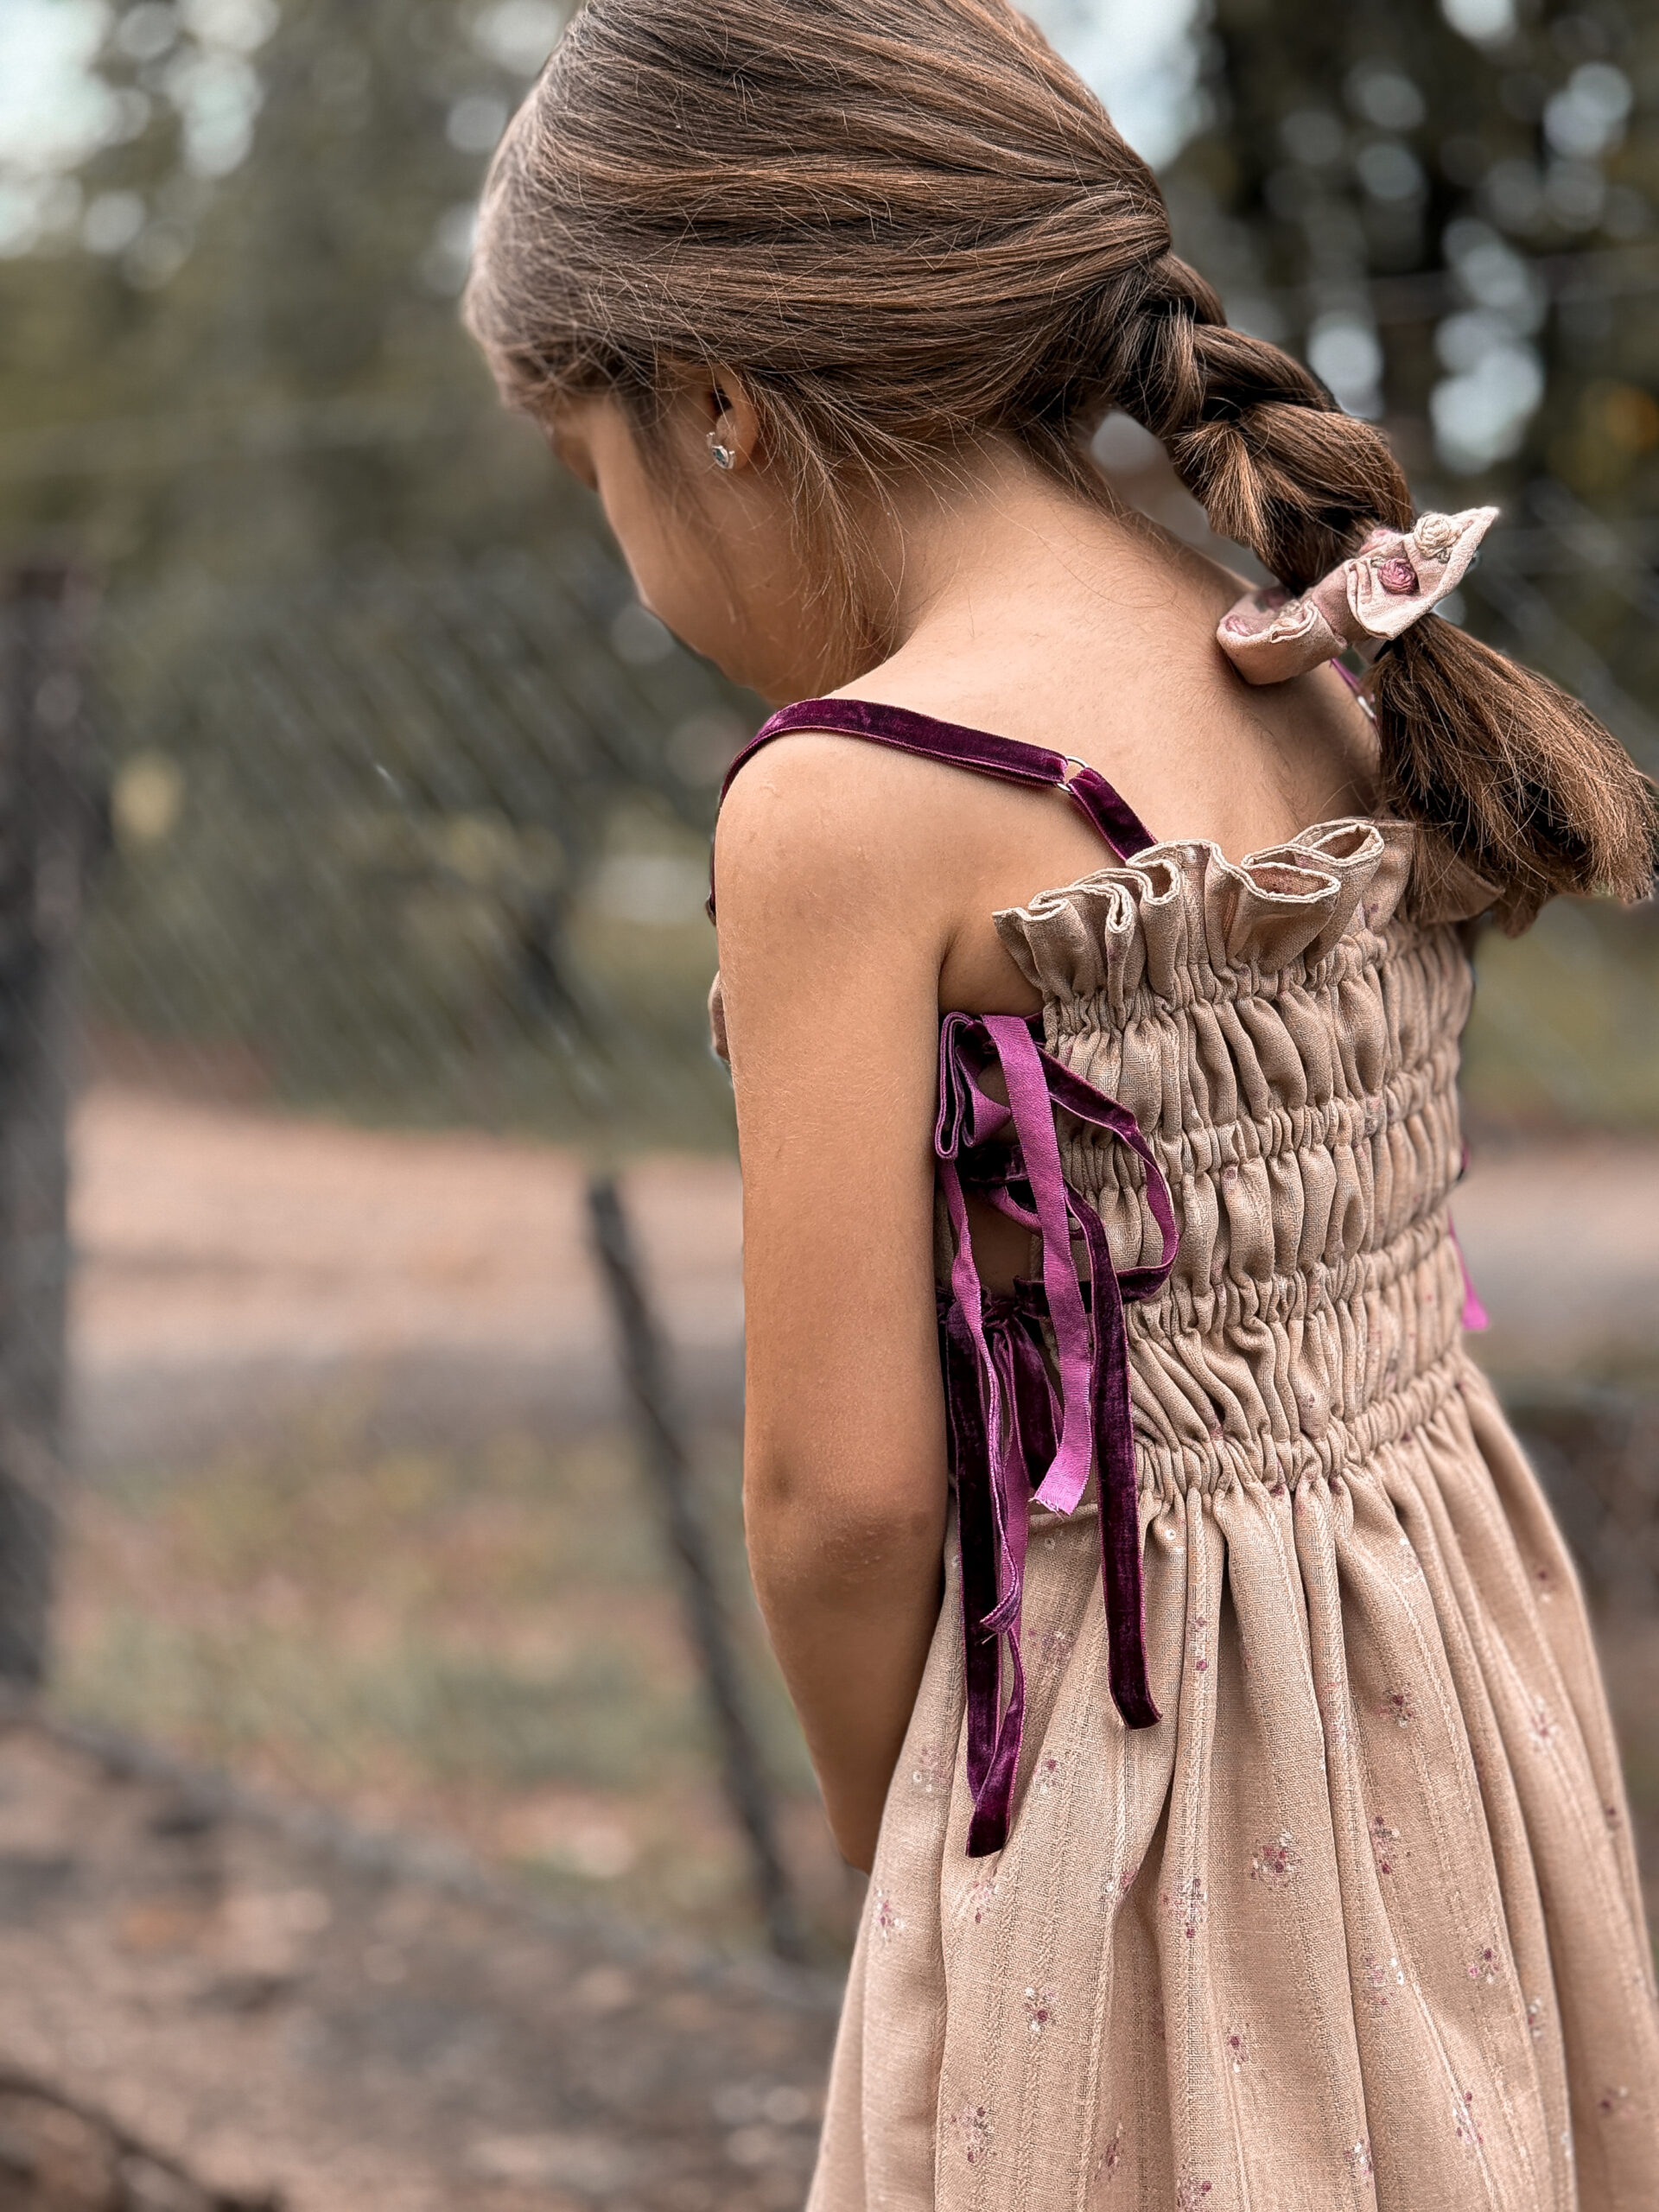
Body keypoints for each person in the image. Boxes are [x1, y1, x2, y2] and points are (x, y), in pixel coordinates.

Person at [464, 2, 1659, 2202]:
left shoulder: (853, 799)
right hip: (1453, 1699)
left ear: (715, 407)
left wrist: (895, 1841)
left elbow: (839, 1499)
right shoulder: (1295, 637)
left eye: (591, 459)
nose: (623, 546)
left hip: (1130, 1783)